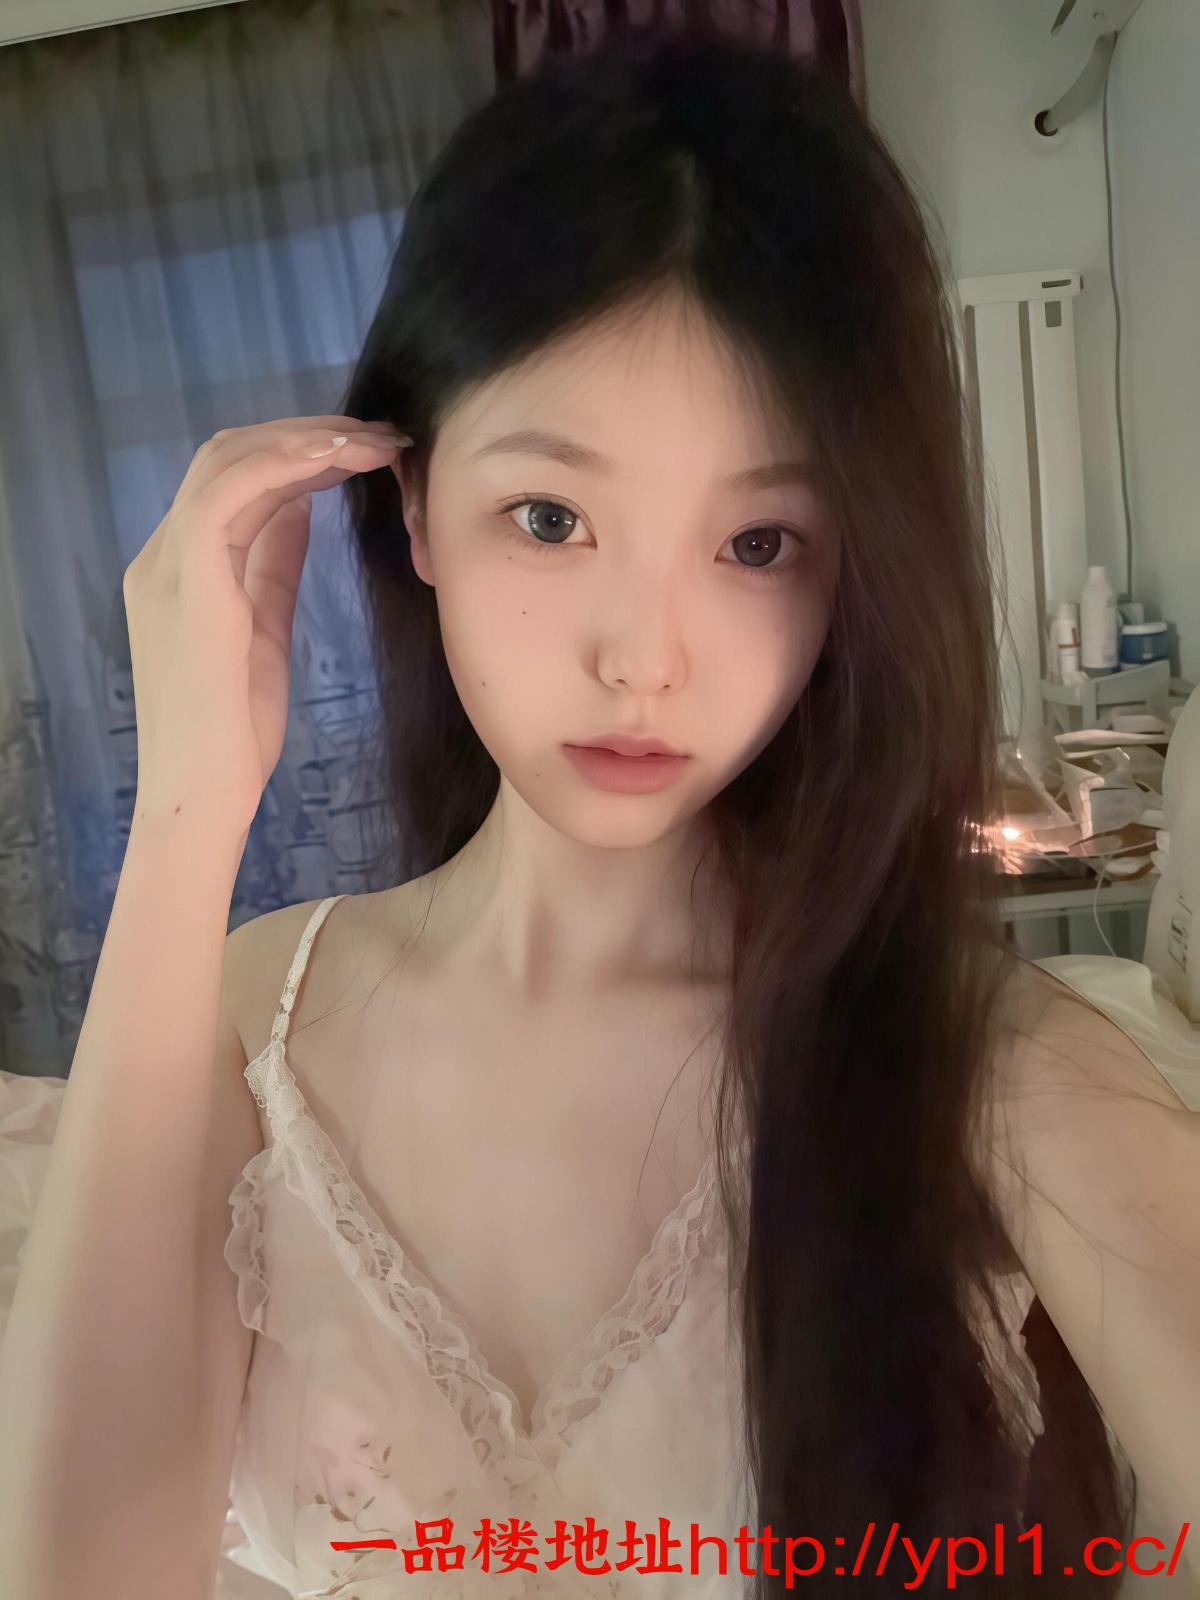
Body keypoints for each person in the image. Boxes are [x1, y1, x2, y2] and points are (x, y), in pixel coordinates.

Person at [0, 21, 1196, 1600]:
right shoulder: (242, 1020)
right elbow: (79, 1571)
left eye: (758, 543)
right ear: (415, 508)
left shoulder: (992, 1063)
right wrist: (189, 806)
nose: (645, 660)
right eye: (550, 516)